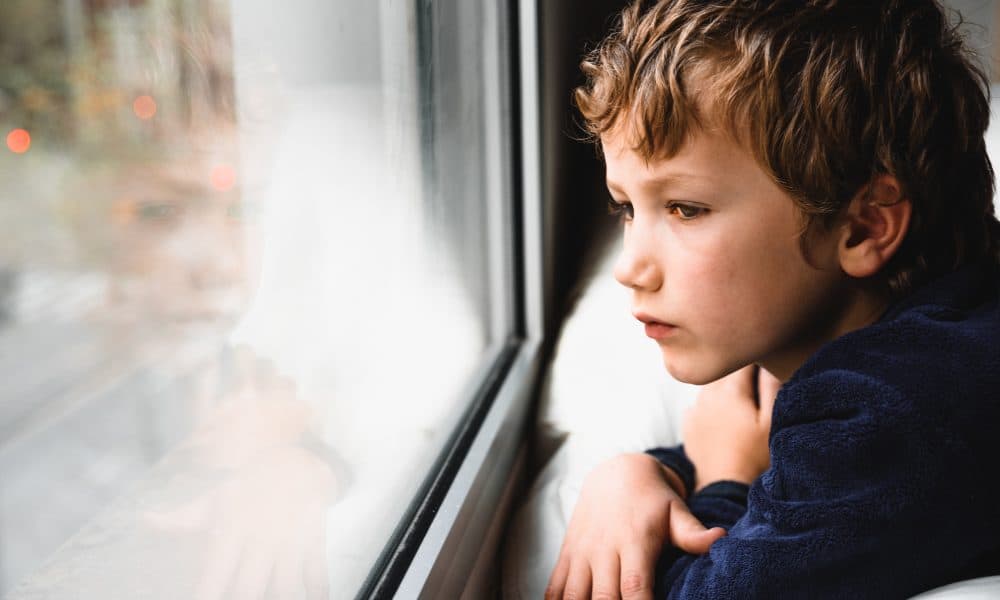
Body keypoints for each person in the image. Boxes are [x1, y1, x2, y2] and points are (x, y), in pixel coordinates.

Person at [544, 0, 1000, 598]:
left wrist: (724, 480)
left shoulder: (895, 405)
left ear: (865, 226)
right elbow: (782, 475)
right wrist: (636, 473)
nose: (631, 268)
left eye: (686, 208)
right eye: (627, 208)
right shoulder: (919, 335)